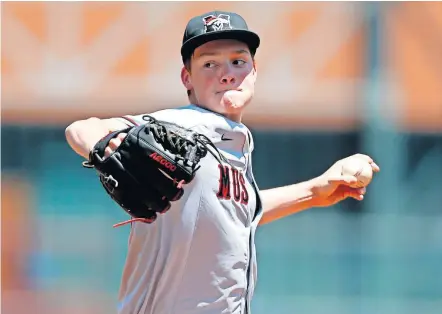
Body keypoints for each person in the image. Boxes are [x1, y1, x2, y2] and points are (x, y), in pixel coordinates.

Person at [65, 10, 380, 314]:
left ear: (254, 71)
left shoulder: (236, 143)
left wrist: (314, 191)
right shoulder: (180, 126)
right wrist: (102, 145)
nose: (227, 73)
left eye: (238, 61)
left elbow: (238, 211)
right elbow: (80, 129)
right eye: (210, 64)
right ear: (187, 77)